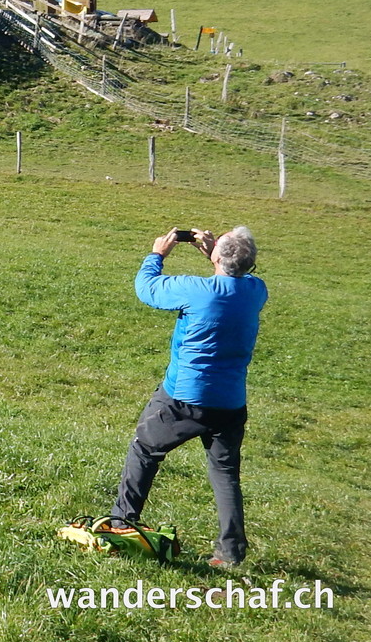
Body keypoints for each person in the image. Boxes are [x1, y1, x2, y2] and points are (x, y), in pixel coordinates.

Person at [108, 226, 266, 567]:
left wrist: (157, 255)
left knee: (145, 450)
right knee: (225, 473)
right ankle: (231, 552)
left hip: (184, 397)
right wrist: (215, 254)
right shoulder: (256, 290)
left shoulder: (197, 291)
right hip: (231, 401)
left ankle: (121, 523)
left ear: (218, 258)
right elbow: (234, 276)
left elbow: (147, 289)